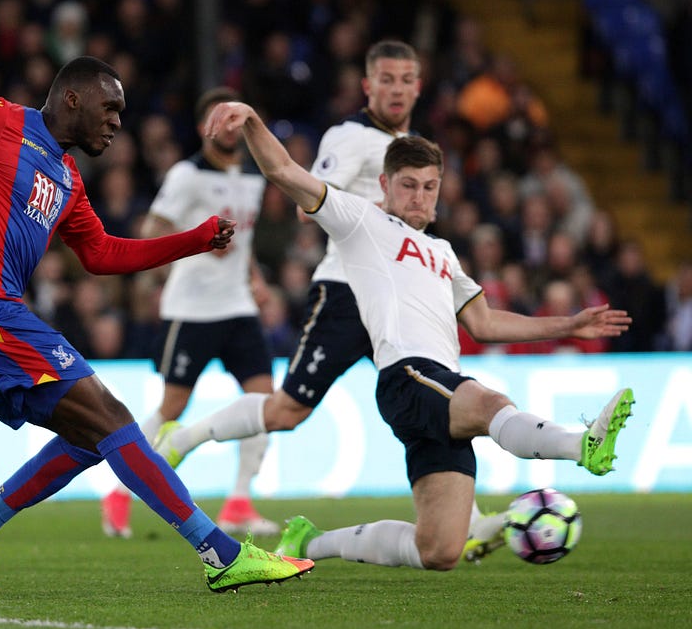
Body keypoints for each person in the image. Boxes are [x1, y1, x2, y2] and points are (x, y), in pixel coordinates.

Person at [0, 56, 313, 592]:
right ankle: (222, 554)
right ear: (73, 98)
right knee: (112, 418)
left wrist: (194, 241)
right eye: (109, 107)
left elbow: (102, 254)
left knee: (93, 437)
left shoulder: (67, 177)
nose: (116, 121)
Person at [190, 103, 634, 571]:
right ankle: (581, 443)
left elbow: (484, 323)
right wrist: (254, 121)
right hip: (410, 375)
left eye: (429, 187)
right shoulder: (362, 222)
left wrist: (567, 324)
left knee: (439, 549)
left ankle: (308, 543)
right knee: (490, 404)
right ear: (385, 185)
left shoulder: (442, 252)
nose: (420, 197)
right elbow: (284, 171)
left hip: (437, 391)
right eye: (408, 185)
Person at [153, 40, 505, 559]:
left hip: (398, 293)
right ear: (368, 85)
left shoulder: (412, 145)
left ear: (418, 86)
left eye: (407, 79)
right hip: (346, 289)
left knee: (435, 401)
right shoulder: (350, 136)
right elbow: (306, 206)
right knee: (289, 409)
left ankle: (467, 520)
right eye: (386, 79)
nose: (397, 89)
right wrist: (371, 220)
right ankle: (185, 439)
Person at [100, 87, 278, 539]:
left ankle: (239, 501)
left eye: (238, 119)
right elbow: (151, 229)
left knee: (266, 403)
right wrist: (195, 241)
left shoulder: (253, 178)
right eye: (223, 119)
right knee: (173, 407)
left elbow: (246, 244)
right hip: (193, 309)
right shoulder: (187, 176)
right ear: (205, 128)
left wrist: (255, 280)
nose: (231, 127)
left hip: (237, 305)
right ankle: (118, 491)